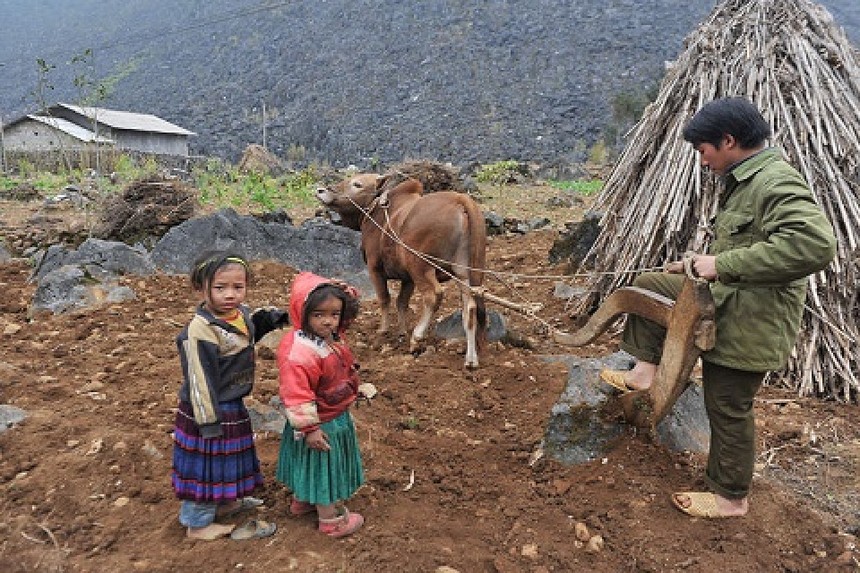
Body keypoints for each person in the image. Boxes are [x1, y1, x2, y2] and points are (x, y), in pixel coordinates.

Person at [600, 97, 837, 518]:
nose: (702, 161)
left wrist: (721, 264)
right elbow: (749, 245)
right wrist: (694, 265)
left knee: (727, 405)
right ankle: (644, 372)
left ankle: (730, 497)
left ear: (728, 140)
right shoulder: (749, 181)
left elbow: (814, 245)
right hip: (729, 299)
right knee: (651, 285)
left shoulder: (774, 182)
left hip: (752, 318)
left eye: (703, 150)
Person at [172, 251, 287, 541]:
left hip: (230, 404)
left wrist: (273, 320)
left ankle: (228, 501)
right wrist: (208, 422)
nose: (230, 295)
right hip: (208, 410)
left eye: (238, 287)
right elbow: (199, 380)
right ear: (202, 288)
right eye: (220, 288)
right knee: (206, 465)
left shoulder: (238, 316)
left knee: (228, 458)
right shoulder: (199, 332)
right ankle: (197, 524)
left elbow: (249, 332)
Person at [275, 271, 366, 538]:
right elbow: (297, 395)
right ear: (302, 314)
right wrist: (310, 428)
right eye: (319, 315)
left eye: (335, 314)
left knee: (310, 462)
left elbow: (344, 313)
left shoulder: (327, 336)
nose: (328, 321)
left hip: (328, 411)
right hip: (321, 420)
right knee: (323, 465)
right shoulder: (300, 353)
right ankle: (330, 520)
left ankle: (304, 500)